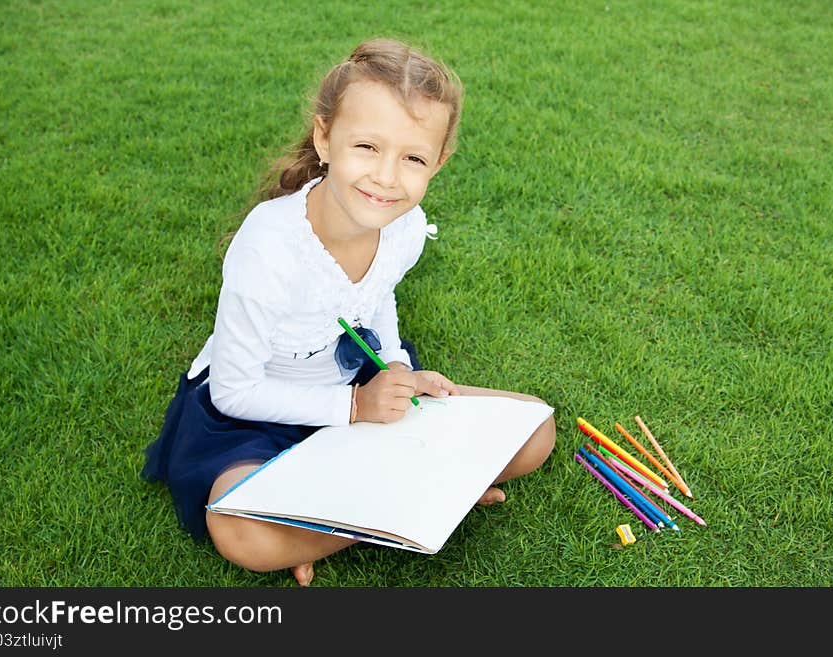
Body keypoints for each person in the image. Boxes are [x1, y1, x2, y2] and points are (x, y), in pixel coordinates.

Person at [141, 37, 556, 586]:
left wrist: (392, 367)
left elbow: (378, 294)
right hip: (255, 411)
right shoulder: (268, 246)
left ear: (438, 163)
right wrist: (356, 406)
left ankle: (337, 513)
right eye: (367, 146)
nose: (386, 177)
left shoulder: (405, 226)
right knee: (242, 531)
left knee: (535, 428)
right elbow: (233, 392)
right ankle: (419, 495)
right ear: (325, 138)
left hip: (358, 381)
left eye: (412, 158)